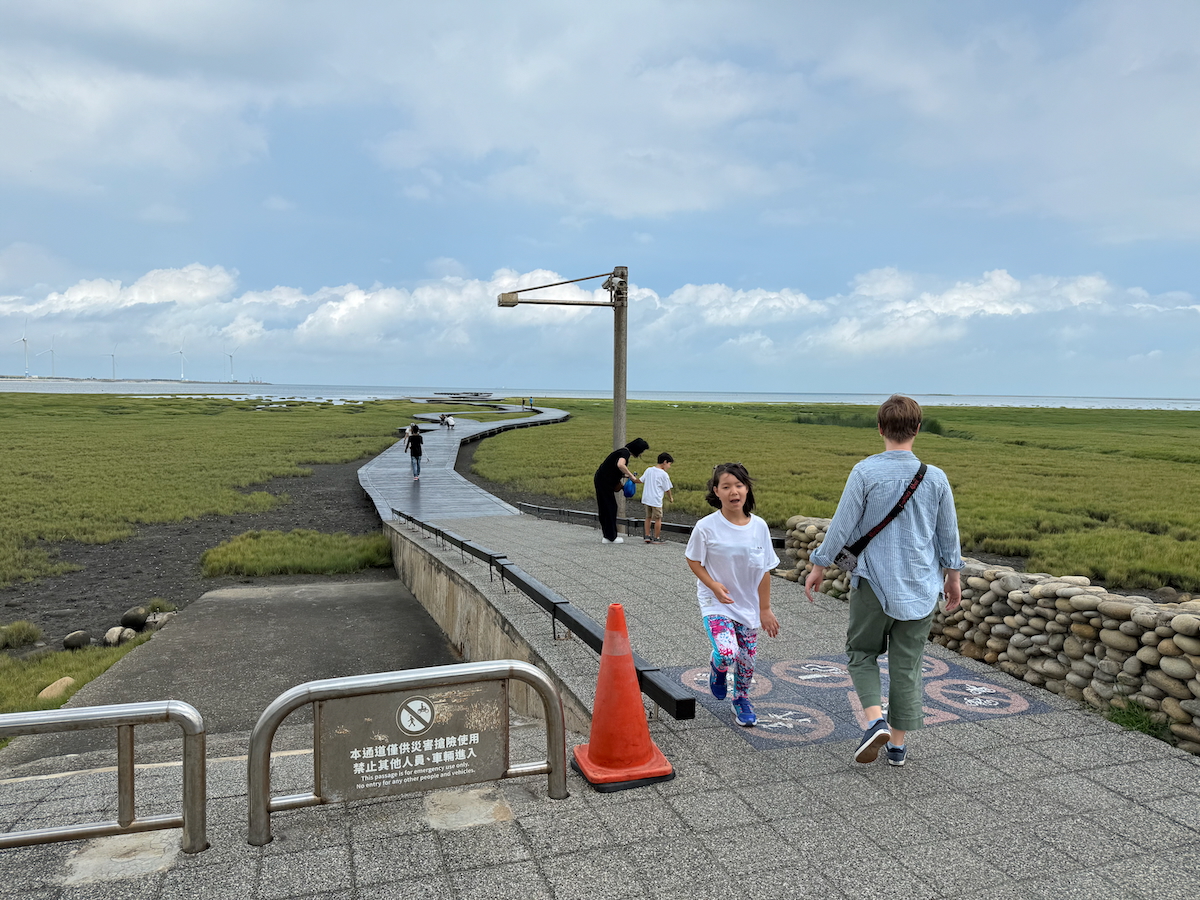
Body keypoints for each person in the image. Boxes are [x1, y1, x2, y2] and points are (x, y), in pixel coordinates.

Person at [805, 394, 963, 767]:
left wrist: (819, 565)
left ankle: (875, 720)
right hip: (922, 587)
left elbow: (841, 525)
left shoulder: (865, 472)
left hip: (873, 583)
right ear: (918, 428)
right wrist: (952, 577)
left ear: (880, 429)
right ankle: (897, 747)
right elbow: (948, 535)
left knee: (861, 653)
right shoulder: (935, 477)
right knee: (907, 665)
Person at [685, 463, 780, 727]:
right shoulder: (706, 526)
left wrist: (765, 608)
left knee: (747, 659)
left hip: (747, 604)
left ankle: (741, 699)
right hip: (715, 601)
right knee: (728, 652)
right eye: (726, 486)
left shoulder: (759, 527)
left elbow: (764, 570)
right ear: (716, 491)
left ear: (747, 489)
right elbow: (693, 560)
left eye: (739, 485)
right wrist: (713, 585)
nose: (733, 492)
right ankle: (718, 666)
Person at [592, 437, 649, 544]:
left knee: (605, 507)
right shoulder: (625, 453)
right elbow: (620, 464)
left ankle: (608, 535)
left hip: (601, 480)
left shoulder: (621, 452)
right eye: (641, 451)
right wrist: (631, 476)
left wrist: (624, 475)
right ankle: (611, 537)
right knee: (610, 508)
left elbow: (613, 468)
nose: (641, 454)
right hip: (604, 482)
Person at [640, 452, 674, 543]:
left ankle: (647, 536)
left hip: (647, 498)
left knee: (648, 517)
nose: (669, 467)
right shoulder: (663, 474)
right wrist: (670, 498)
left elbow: (641, 480)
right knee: (658, 518)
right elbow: (667, 489)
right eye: (669, 464)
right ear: (665, 462)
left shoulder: (649, 470)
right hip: (656, 500)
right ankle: (657, 538)